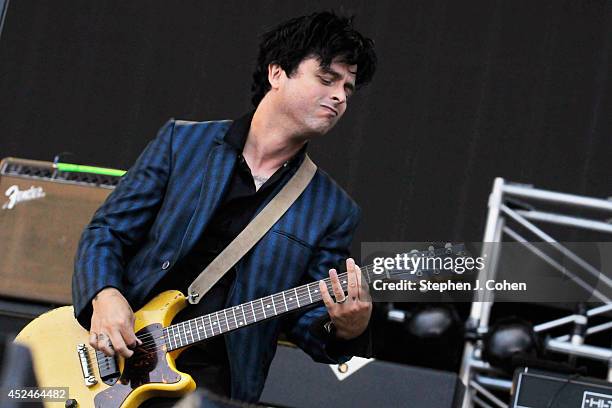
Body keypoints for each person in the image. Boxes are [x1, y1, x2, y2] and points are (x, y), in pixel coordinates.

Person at [72, 11, 377, 405]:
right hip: (120, 353)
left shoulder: (332, 209)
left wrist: (348, 329)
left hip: (214, 387)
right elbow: (107, 232)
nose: (340, 96)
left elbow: (307, 325)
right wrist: (105, 295)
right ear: (277, 73)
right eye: (327, 79)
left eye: (348, 89)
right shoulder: (182, 143)